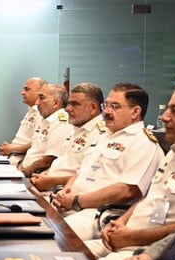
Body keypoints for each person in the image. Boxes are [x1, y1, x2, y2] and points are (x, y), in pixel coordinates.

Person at [87, 85, 175, 260]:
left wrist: (130, 237)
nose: (164, 117)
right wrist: (119, 222)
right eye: (168, 109)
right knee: (66, 254)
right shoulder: (174, 151)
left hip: (148, 254)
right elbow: (149, 198)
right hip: (123, 239)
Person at [52, 83, 164, 240]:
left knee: (56, 236)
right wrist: (67, 191)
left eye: (115, 107)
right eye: (107, 105)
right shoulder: (106, 136)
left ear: (135, 112)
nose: (107, 111)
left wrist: (77, 201)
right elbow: (81, 172)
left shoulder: (143, 144)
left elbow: (126, 191)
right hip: (72, 203)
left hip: (97, 213)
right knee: (34, 221)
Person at [30, 82, 108, 192]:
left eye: (75, 104)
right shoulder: (77, 128)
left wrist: (50, 181)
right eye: (69, 103)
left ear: (93, 108)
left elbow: (88, 177)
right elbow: (63, 162)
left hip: (63, 191)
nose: (68, 109)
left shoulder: (101, 134)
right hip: (47, 184)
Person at [18, 83, 73, 177]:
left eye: (42, 98)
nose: (37, 103)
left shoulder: (60, 122)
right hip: (25, 171)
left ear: (55, 103)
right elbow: (33, 150)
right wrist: (20, 167)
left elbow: (49, 159)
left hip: (36, 177)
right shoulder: (45, 120)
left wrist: (23, 173)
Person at [0, 77, 46, 164]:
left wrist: (12, 148)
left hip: (21, 159)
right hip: (13, 155)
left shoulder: (41, 114)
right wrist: (10, 147)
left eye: (27, 89)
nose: (22, 93)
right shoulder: (30, 111)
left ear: (40, 92)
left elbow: (37, 143)